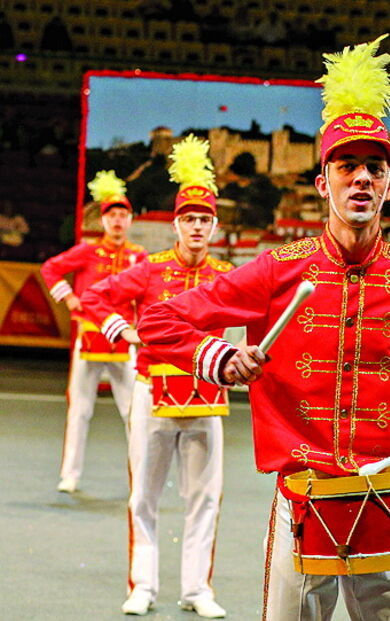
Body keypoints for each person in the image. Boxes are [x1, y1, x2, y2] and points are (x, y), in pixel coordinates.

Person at [135, 37, 390, 621]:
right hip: (303, 497)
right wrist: (217, 356)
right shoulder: (278, 268)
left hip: (389, 496)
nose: (361, 179)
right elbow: (160, 319)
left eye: (375, 168)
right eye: (347, 167)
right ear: (324, 184)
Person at [82, 136, 232, 618]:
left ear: (214, 225)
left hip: (207, 400)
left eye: (204, 219)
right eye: (189, 219)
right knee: (142, 496)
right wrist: (120, 328)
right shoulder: (150, 270)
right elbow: (94, 297)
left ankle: (197, 590)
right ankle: (143, 585)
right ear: (175, 224)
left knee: (205, 499)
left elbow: (261, 311)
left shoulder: (227, 275)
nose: (196, 227)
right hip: (152, 395)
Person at [40, 171, 147, 494]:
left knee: (133, 409)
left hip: (123, 340)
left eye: (123, 215)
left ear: (130, 220)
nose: (117, 221)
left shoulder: (137, 255)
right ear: (102, 220)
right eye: (112, 215)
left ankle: (140, 476)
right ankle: (70, 474)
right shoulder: (87, 251)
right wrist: (69, 297)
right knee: (80, 408)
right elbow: (50, 268)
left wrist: (142, 331)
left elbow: (143, 295)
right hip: (88, 337)